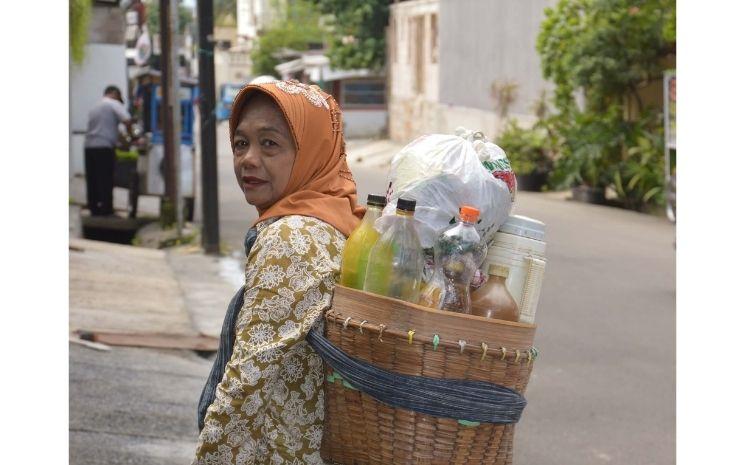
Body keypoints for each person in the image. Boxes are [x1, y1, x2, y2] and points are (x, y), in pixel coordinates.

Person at [193, 80, 365, 465]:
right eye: (241, 143)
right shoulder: (335, 221)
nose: (248, 159)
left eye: (269, 144)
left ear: (312, 152)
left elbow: (246, 381)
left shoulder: (293, 237)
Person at [84, 85, 133, 216]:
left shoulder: (95, 107)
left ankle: (94, 208)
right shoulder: (113, 104)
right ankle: (106, 210)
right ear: (114, 94)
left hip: (89, 147)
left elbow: (106, 127)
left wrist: (120, 138)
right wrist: (132, 136)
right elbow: (127, 120)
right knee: (105, 178)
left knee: (93, 179)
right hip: (104, 147)